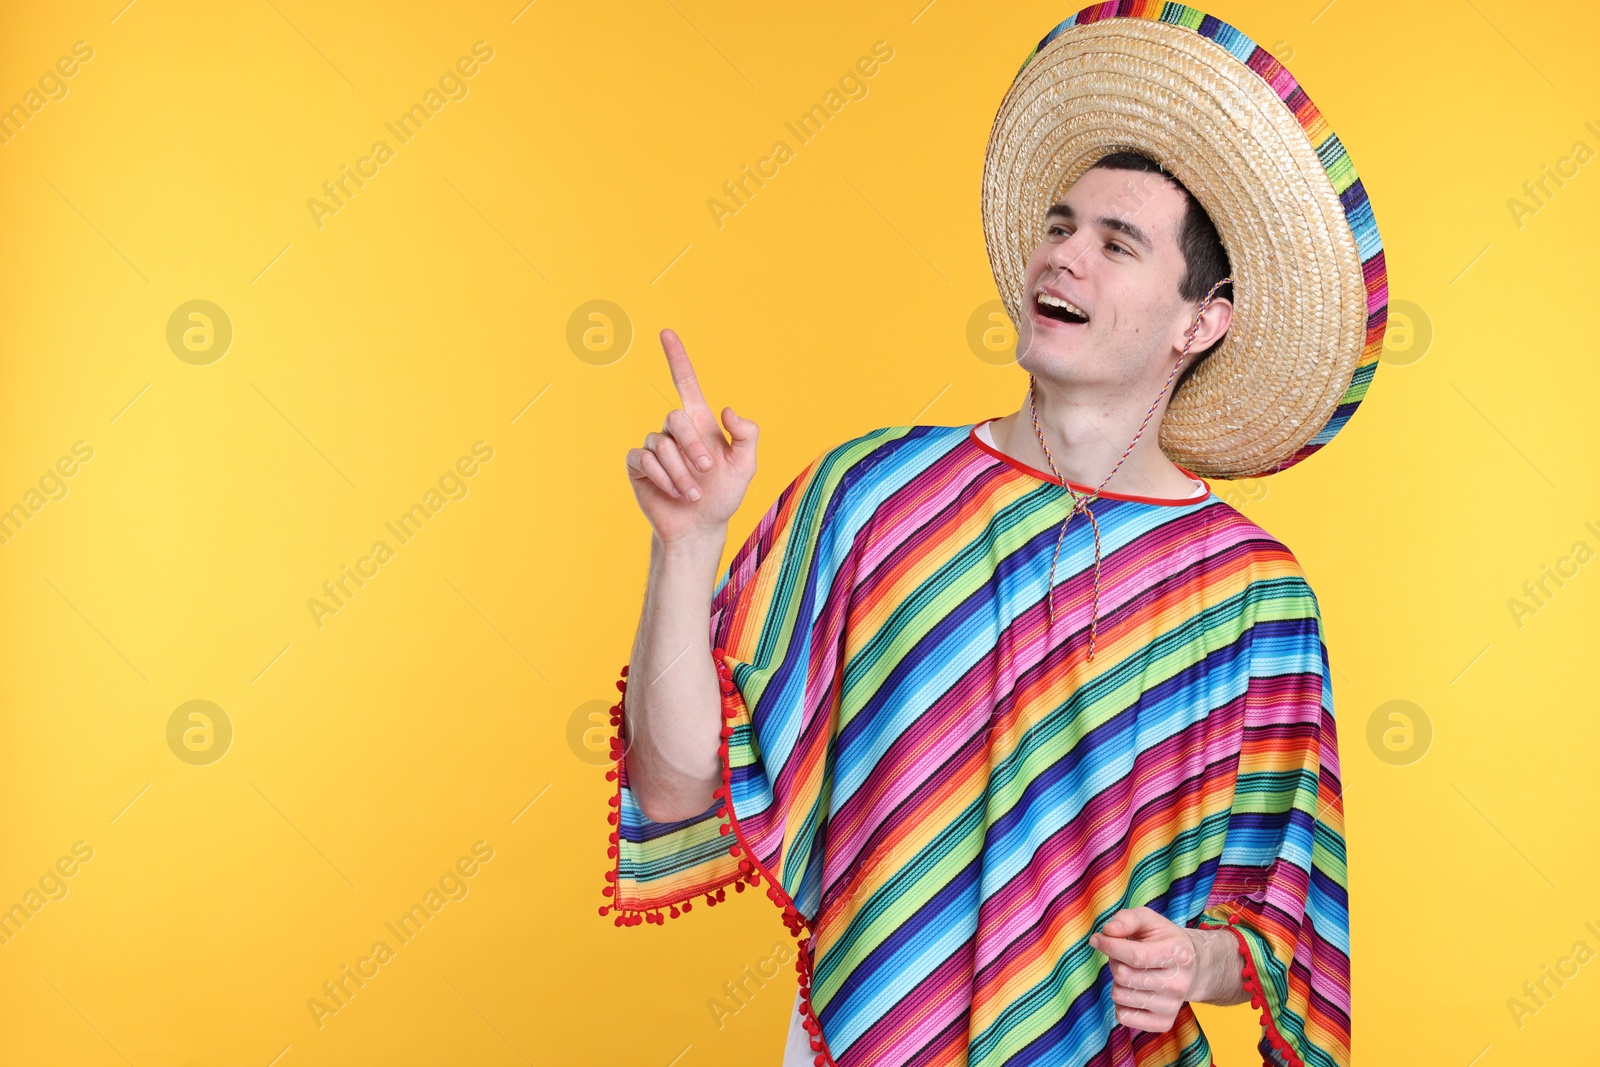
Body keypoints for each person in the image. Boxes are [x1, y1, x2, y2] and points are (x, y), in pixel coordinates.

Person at [600, 5, 1386, 1066]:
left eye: (1116, 243)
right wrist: (687, 541)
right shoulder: (874, 496)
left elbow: (1277, 919)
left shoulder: (1248, 594)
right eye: (1059, 226)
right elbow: (676, 781)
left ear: (1201, 319)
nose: (1063, 257)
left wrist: (1193, 963)